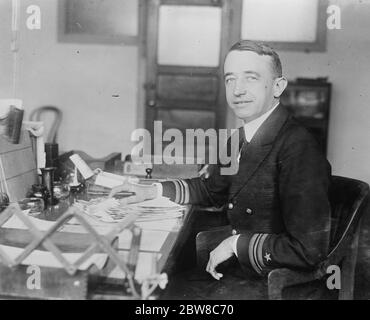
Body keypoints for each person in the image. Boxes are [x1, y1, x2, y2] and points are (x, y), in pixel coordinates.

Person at [110, 40, 332, 299]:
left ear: (278, 87)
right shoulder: (239, 137)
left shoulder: (298, 146)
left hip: (273, 284)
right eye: (230, 79)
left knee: (149, 292)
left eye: (251, 78)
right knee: (149, 284)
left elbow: (309, 249)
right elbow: (211, 190)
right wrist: (151, 191)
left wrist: (236, 244)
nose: (238, 90)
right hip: (238, 272)